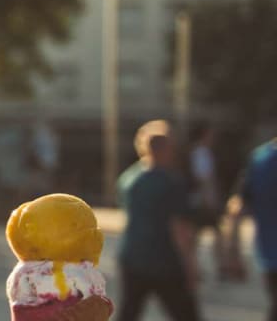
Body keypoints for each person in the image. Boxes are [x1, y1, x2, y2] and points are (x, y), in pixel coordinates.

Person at [118, 119, 204, 321]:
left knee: (129, 312)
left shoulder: (128, 179)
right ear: (165, 149)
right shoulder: (172, 181)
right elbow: (179, 228)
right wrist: (191, 266)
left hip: (132, 257)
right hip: (165, 261)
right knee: (186, 314)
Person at [223, 135, 277, 321]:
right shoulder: (260, 159)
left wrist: (232, 250)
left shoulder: (259, 158)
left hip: (269, 253)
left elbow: (237, 207)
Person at [190, 121, 223, 277]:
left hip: (201, 200)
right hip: (203, 202)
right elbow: (204, 179)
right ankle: (218, 266)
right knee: (214, 235)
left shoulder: (200, 152)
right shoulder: (202, 153)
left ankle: (195, 265)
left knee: (198, 236)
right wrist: (209, 200)